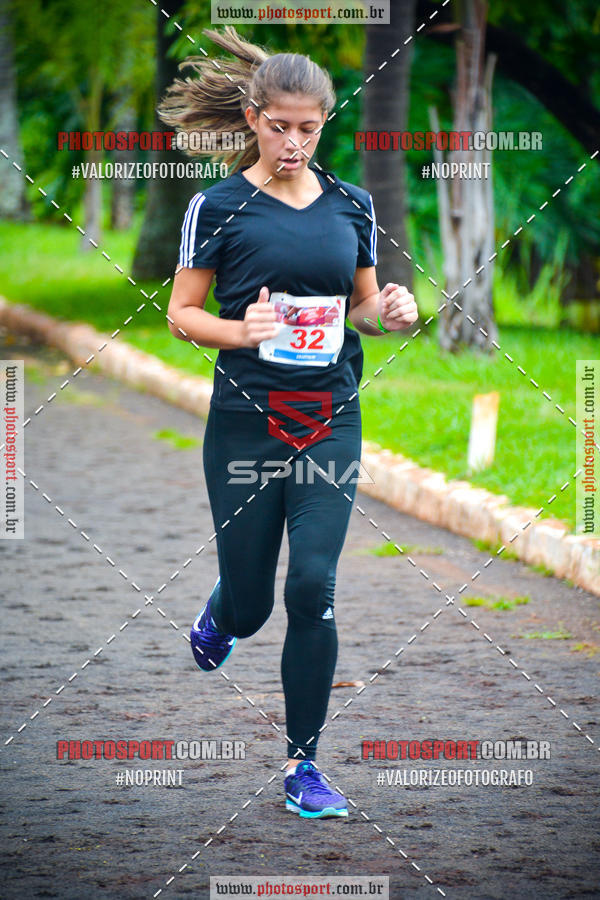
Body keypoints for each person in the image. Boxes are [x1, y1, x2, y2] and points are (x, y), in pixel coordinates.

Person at [161, 26, 418, 819]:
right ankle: (223, 613)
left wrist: (392, 313)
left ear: (324, 124)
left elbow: (364, 306)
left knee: (312, 586)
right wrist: (243, 333)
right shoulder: (219, 206)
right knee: (254, 604)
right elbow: (181, 314)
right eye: (281, 126)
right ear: (252, 118)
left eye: (310, 128)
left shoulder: (352, 204)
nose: (295, 142)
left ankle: (304, 767)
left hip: (328, 422)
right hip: (244, 425)